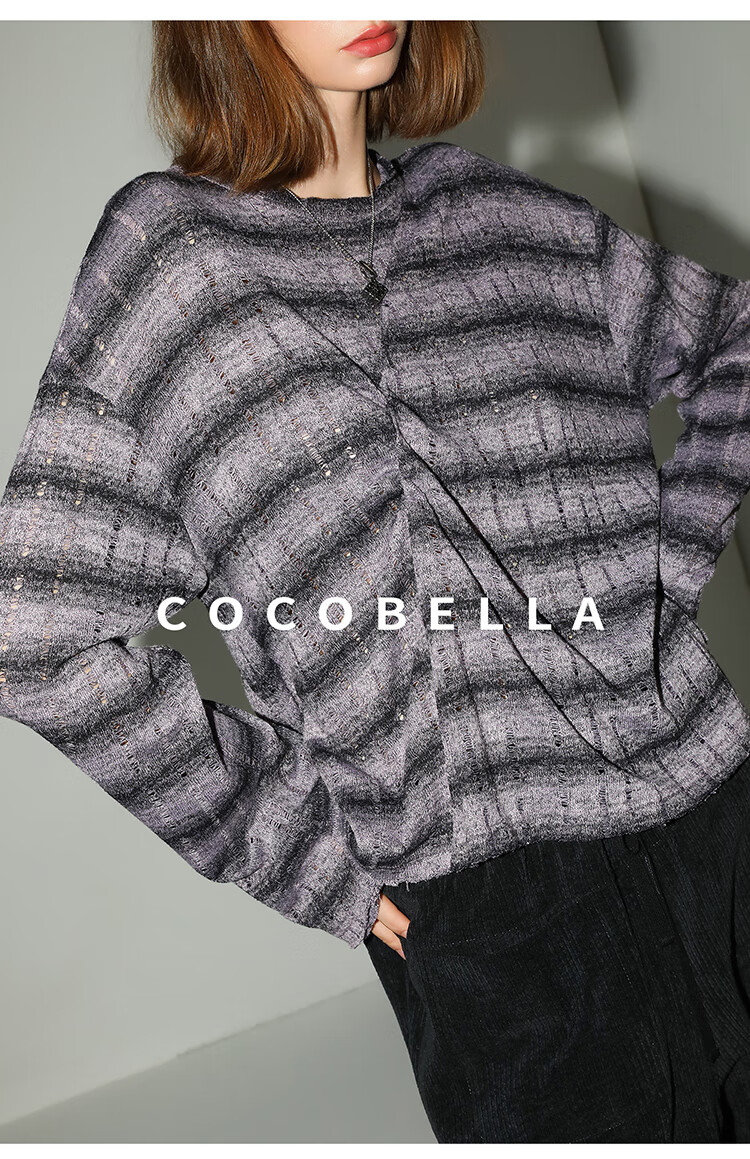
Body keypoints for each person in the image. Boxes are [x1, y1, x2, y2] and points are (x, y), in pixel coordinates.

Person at [1, 18, 749, 1143]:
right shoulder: (173, 266)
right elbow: (32, 633)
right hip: (502, 923)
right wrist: (298, 850)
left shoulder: (503, 216)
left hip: (717, 819)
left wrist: (664, 568)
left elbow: (736, 339)